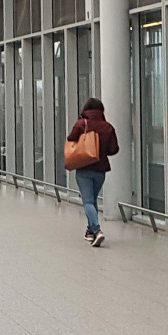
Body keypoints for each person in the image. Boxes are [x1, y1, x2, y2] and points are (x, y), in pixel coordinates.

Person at [66, 97, 120, 248]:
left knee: (87, 201)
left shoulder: (82, 123)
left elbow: (70, 138)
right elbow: (113, 149)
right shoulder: (108, 127)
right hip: (100, 170)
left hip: (83, 168)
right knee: (93, 200)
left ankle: (97, 230)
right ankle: (89, 232)